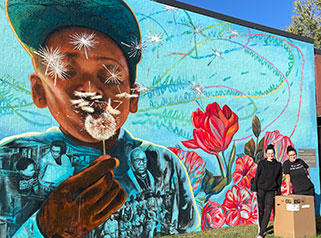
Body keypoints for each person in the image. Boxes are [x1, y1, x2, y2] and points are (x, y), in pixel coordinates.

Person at [1, 0, 200, 237]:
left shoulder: (162, 165)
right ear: (39, 91)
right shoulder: (8, 163)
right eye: (66, 71)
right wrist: (44, 228)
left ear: (133, 97)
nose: (90, 89)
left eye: (110, 74)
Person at [252, 144, 282, 238]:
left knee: (268, 210)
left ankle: (261, 233)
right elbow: (257, 176)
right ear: (266, 154)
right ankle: (262, 229)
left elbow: (279, 179)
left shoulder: (278, 165)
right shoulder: (261, 163)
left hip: (271, 190)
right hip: (261, 189)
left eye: (272, 153)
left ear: (274, 154)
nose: (270, 155)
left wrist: (279, 192)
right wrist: (254, 189)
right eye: (269, 153)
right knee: (261, 210)